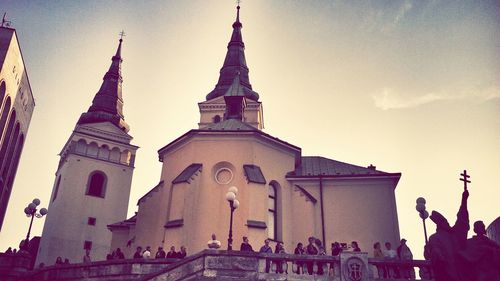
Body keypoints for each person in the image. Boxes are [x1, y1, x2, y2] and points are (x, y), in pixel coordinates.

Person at [426, 189, 470, 281]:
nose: (448, 224)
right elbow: (434, 252)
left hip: (456, 272)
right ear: (441, 224)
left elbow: (461, 219)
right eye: (446, 222)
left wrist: (464, 201)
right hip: (447, 271)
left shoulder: (453, 234)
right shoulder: (435, 237)